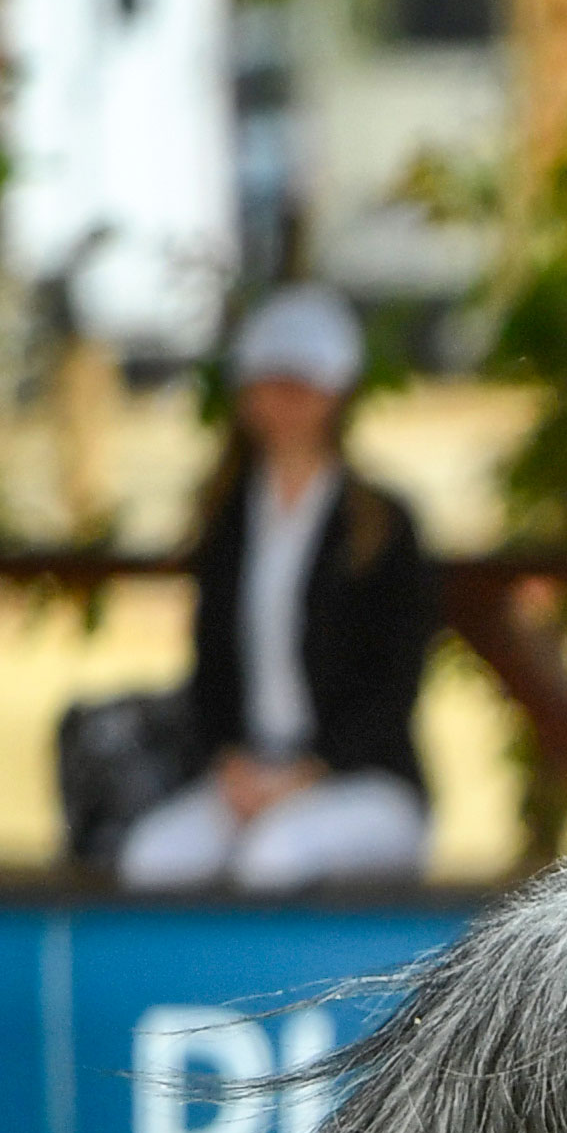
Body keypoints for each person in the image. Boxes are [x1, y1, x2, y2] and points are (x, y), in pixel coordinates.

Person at [117, 282, 439, 890]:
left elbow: (394, 681)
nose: (286, 404)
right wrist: (230, 764)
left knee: (273, 857)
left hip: (365, 780)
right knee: (153, 857)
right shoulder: (228, 518)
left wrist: (310, 773)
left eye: (303, 385)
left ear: (336, 394)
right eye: (272, 383)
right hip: (250, 773)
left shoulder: (382, 524)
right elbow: (211, 667)